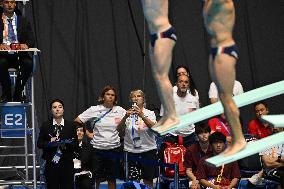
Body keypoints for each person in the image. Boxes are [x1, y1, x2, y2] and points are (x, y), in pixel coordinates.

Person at [203, 0, 246, 155]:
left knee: (227, 97)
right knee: (222, 95)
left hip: (225, 49)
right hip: (217, 50)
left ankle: (239, 139)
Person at [74, 85, 126, 189]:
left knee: (112, 178)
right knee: (96, 177)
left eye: (112, 95)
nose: (110, 97)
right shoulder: (94, 109)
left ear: (115, 98)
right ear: (103, 96)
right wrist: (88, 133)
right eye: (108, 94)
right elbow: (78, 120)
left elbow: (128, 124)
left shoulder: (120, 110)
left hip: (113, 149)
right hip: (97, 149)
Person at [140, 0, 179, 131]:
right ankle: (167, 114)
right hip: (154, 36)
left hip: (164, 34)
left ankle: (173, 116)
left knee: (162, 77)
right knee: (158, 78)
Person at [117, 89, 157, 189]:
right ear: (131, 100)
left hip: (148, 150)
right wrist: (125, 117)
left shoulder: (150, 113)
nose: (136, 98)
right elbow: (118, 130)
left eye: (139, 96)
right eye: (134, 96)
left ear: (143, 99)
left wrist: (142, 115)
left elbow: (155, 128)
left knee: (148, 179)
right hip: (130, 151)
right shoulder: (126, 114)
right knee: (133, 180)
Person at [37, 99, 78, 189]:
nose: (57, 109)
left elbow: (76, 144)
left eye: (60, 107)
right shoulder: (46, 125)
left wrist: (64, 143)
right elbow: (39, 144)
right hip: (51, 163)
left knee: (67, 186)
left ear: (63, 110)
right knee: (52, 186)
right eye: (54, 107)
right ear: (51, 111)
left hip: (67, 162)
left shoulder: (71, 125)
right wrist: (50, 142)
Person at [0, 0, 34, 103]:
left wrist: (26, 44)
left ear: (15, 4)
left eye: (12, 2)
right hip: (3, 55)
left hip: (19, 55)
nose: (9, 5)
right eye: (6, 2)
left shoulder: (23, 21)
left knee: (28, 63)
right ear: (1, 4)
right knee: (0, 63)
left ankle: (18, 93)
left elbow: (31, 39)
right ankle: (6, 94)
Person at [160, 74, 199, 147]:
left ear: (189, 85)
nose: (183, 84)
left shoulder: (193, 99)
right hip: (172, 136)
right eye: (181, 81)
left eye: (186, 82)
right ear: (176, 84)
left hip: (190, 137)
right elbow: (163, 117)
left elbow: (196, 117)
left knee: (190, 158)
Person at [184, 122, 212, 189]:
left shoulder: (215, 147)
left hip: (211, 177)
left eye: (206, 132)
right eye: (201, 133)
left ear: (209, 134)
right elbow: (188, 170)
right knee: (194, 187)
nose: (204, 135)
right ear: (196, 135)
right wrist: (194, 179)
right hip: (195, 177)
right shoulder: (190, 149)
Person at [73, 125, 92, 189]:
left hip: (84, 174)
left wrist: (90, 172)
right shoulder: (65, 146)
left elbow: (94, 164)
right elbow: (56, 160)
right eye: (77, 131)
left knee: (86, 184)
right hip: (69, 173)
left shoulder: (89, 147)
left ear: (83, 133)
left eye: (81, 131)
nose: (79, 132)